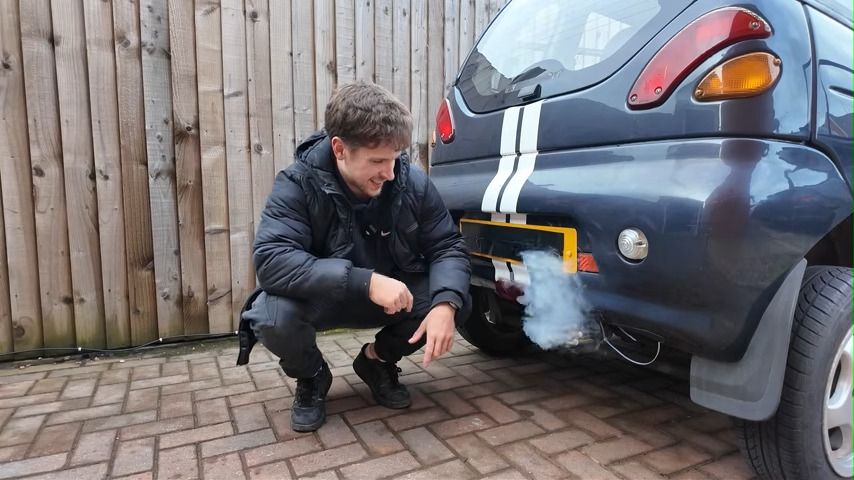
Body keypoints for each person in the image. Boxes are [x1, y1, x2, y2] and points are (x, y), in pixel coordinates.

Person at [236, 82, 472, 432]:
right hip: (323, 300)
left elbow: (447, 246)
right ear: (340, 149)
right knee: (270, 316)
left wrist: (446, 305)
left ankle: (377, 361)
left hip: (391, 300)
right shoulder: (296, 185)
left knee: (454, 300)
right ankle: (313, 375)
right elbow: (273, 260)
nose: (390, 173)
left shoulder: (412, 183)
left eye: (394, 158)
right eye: (377, 161)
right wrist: (365, 281)